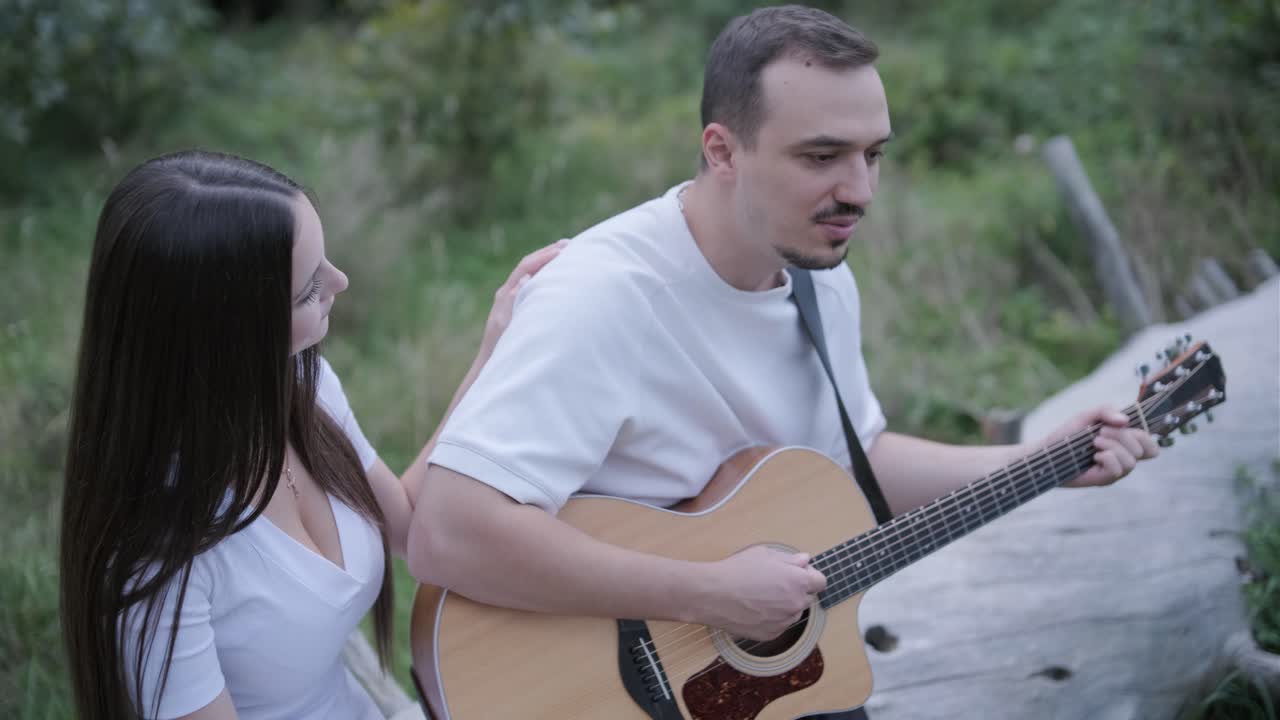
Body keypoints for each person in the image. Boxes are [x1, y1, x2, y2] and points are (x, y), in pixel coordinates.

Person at [406, 5, 1160, 720]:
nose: (859, 192)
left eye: (874, 156)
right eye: (822, 156)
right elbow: (450, 532)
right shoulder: (603, 298)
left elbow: (855, 461)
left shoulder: (816, 274)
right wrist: (706, 594)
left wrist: (1041, 459)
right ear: (722, 150)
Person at [58, 149, 563, 720]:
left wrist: (492, 352)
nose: (340, 283)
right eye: (307, 289)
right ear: (225, 331)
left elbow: (409, 527)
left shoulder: (304, 385)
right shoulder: (157, 568)